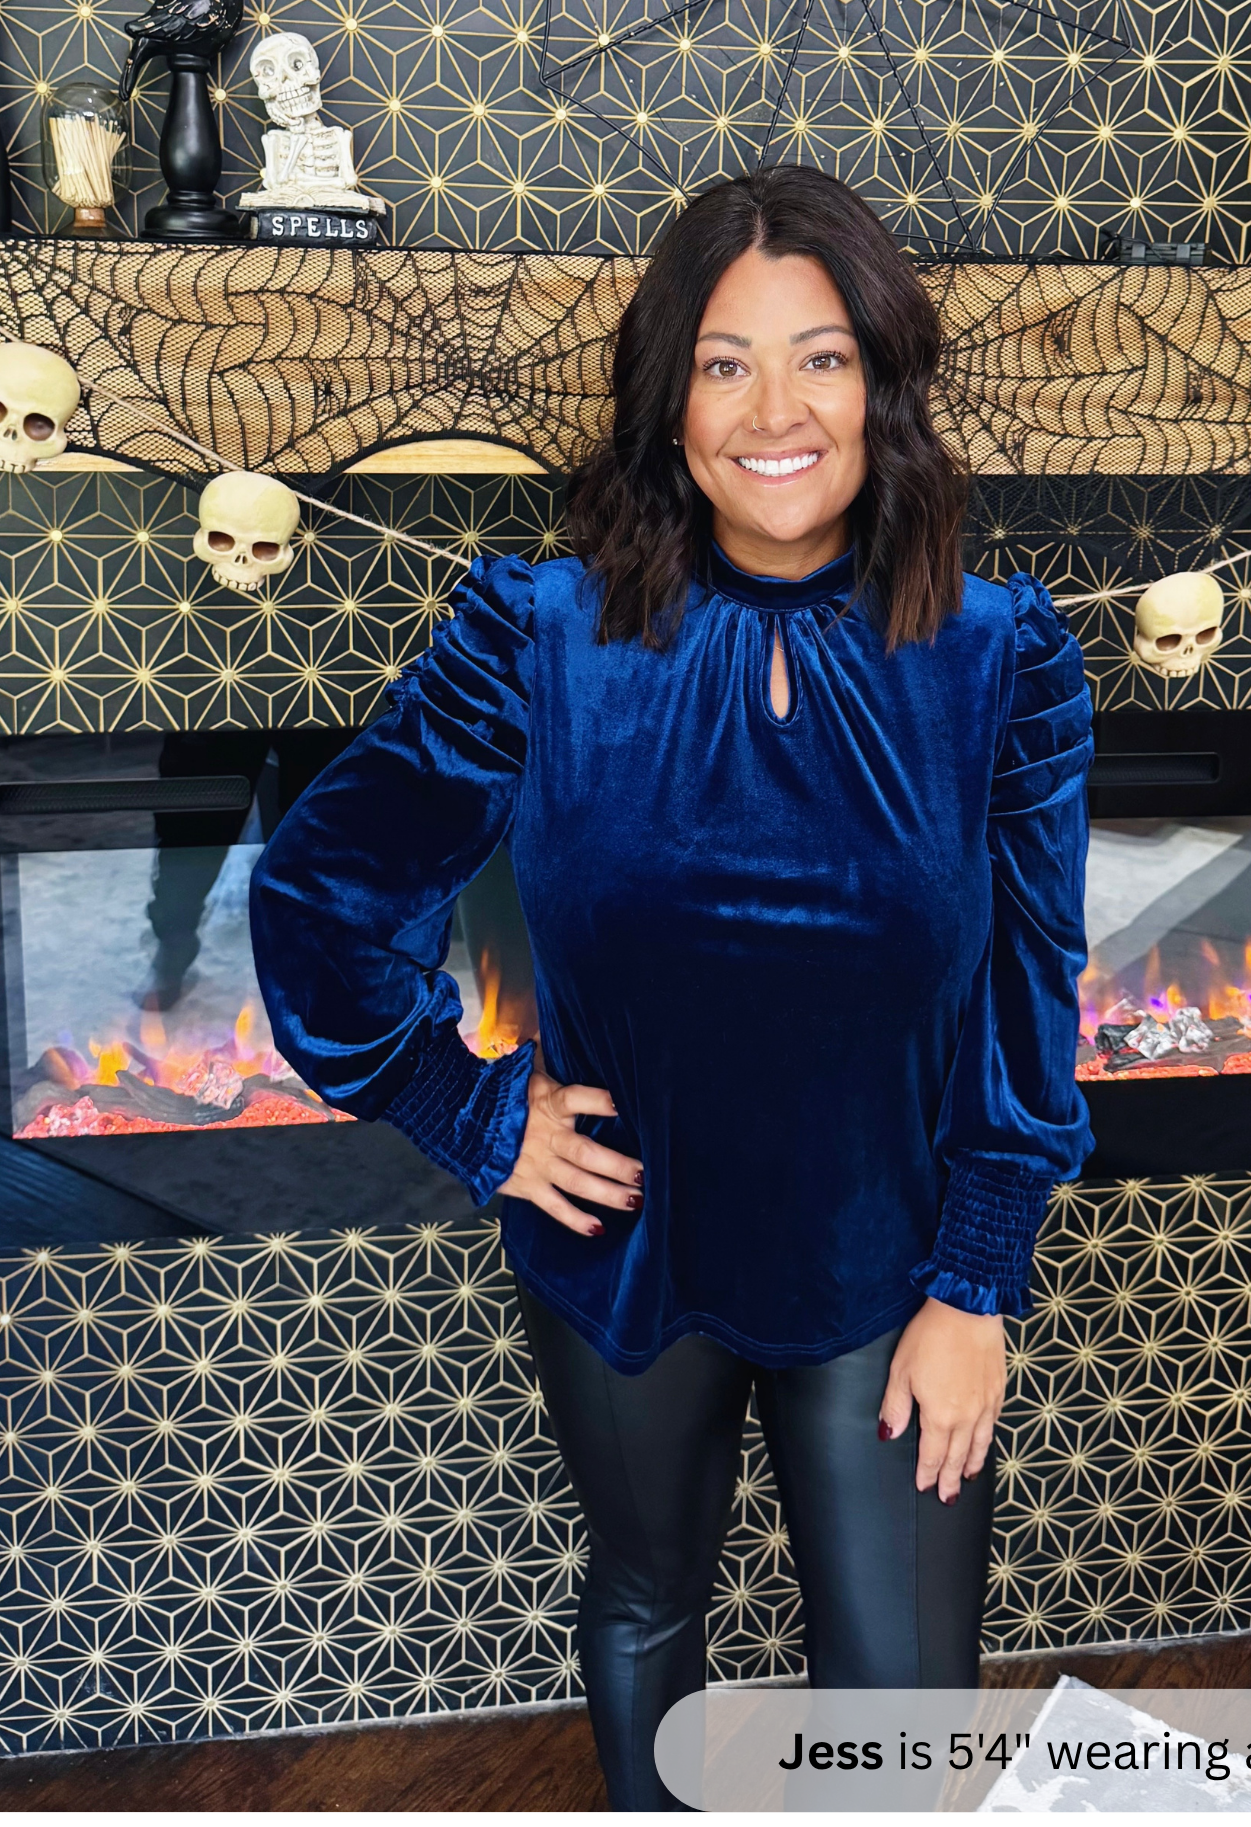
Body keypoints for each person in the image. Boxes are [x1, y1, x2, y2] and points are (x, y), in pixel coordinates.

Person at [249, 166, 1095, 1809]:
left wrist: (980, 1281)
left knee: (907, 1718)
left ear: (882, 386)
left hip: (893, 1259)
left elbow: (1030, 995)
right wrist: (466, 1107)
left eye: (822, 357)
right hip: (624, 1241)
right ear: (670, 395)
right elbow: (314, 900)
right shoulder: (535, 635)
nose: (774, 410)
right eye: (724, 362)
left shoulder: (1006, 658)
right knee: (649, 1601)